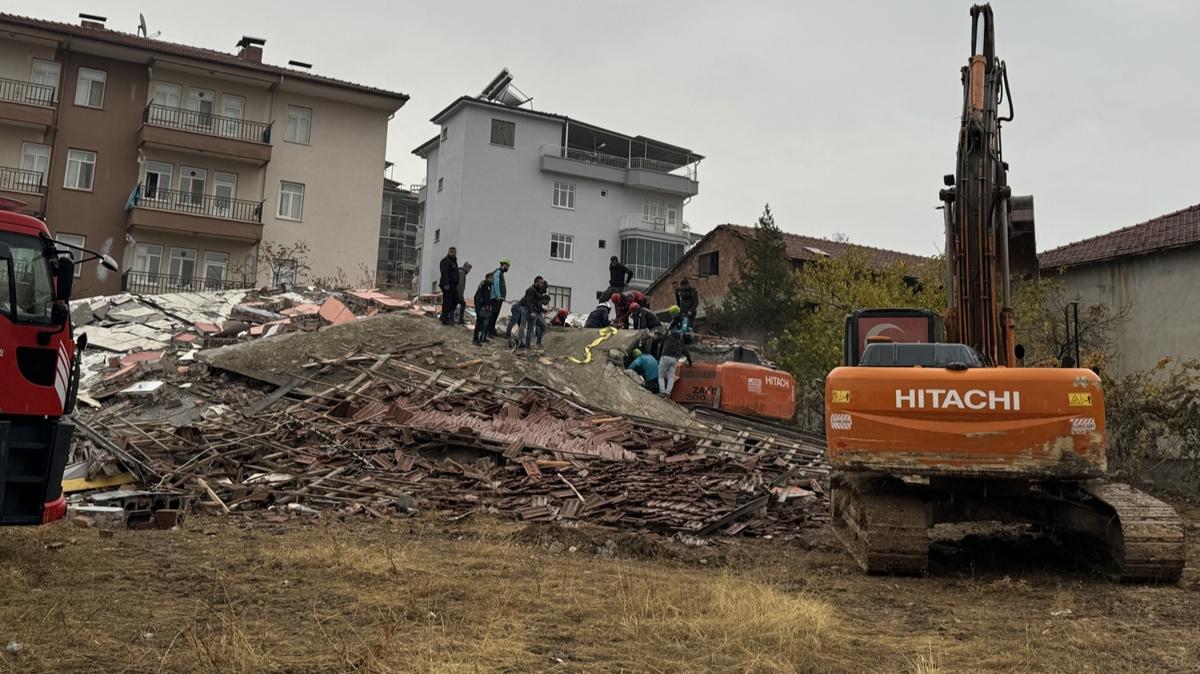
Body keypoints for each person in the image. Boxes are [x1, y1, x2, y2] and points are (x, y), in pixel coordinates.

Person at [657, 330, 693, 396]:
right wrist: (690, 363)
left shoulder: (667, 338)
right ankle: (668, 393)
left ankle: (662, 392)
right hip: (674, 360)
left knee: (661, 376)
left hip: (665, 357)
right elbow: (687, 354)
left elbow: (659, 339)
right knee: (671, 377)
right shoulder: (679, 343)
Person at [519, 276, 550, 350]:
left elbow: (537, 302)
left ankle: (538, 344)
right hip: (531, 312)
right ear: (536, 282)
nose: (542, 284)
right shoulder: (531, 290)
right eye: (540, 283)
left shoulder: (538, 291)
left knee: (543, 326)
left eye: (542, 283)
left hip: (536, 312)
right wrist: (531, 312)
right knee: (529, 330)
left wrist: (542, 310)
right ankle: (527, 347)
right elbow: (528, 301)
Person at [488, 258, 511, 337]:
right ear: (504, 265)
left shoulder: (500, 273)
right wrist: (498, 295)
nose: (508, 268)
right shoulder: (498, 272)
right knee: (493, 314)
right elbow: (496, 284)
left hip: (499, 298)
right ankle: (489, 331)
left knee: (495, 315)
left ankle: (492, 330)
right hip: (496, 298)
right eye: (508, 266)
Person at [438, 247, 459, 325]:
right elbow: (444, 272)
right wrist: (446, 284)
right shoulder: (445, 261)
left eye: (454, 252)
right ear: (449, 252)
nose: (453, 253)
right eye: (452, 252)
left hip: (453, 285)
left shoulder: (454, 261)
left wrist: (456, 284)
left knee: (455, 300)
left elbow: (456, 274)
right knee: (447, 301)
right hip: (447, 284)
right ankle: (445, 319)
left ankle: (444, 316)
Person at [472, 272, 494, 345]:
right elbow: (479, 297)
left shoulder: (489, 285)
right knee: (479, 323)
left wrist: (489, 306)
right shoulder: (483, 284)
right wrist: (480, 307)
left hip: (486, 308)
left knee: (486, 323)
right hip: (481, 307)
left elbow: (488, 298)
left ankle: (483, 338)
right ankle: (475, 339)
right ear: (488, 278)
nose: (493, 279)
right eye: (492, 278)